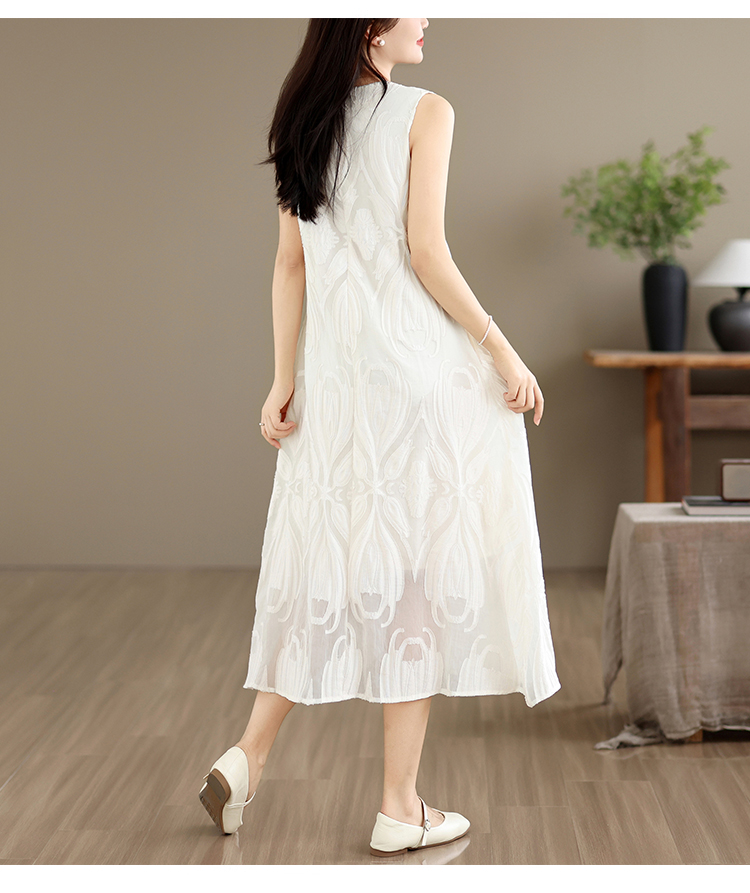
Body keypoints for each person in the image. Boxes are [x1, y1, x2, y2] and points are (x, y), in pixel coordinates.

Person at [199, 18, 561, 856]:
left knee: (324, 564)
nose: (428, 17)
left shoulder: (300, 120)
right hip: (416, 379)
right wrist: (502, 349)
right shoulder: (426, 111)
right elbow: (425, 251)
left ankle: (247, 755)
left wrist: (283, 379)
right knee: (415, 582)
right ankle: (399, 803)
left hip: (334, 386)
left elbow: (291, 262)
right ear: (368, 23)